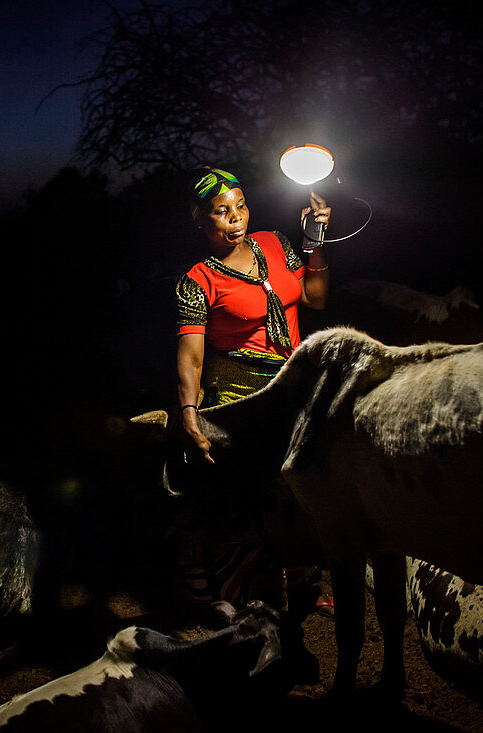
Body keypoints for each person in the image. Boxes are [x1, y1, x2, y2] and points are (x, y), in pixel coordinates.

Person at [172, 166, 332, 608]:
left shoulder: (277, 243)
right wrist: (188, 411)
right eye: (221, 212)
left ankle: (298, 584)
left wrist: (315, 240)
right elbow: (191, 353)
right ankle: (254, 591)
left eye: (240, 205)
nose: (236, 217)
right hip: (241, 394)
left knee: (307, 483)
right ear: (200, 221)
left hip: (296, 384)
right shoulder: (197, 280)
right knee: (260, 488)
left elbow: (316, 297)